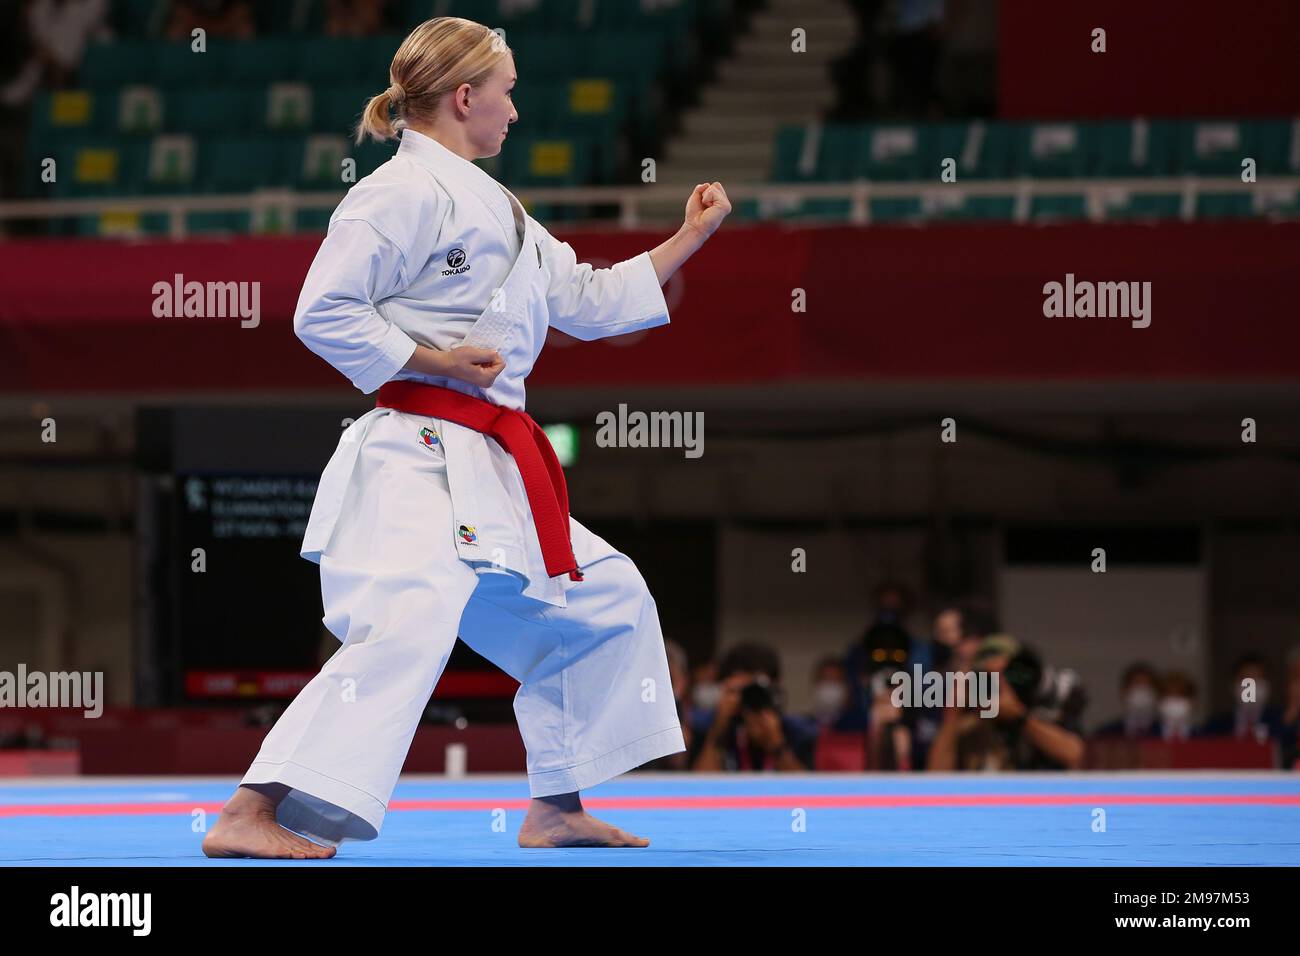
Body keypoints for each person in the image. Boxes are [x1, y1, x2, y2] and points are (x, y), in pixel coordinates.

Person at [203, 17, 731, 858]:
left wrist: (687, 239)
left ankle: (555, 805)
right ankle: (249, 809)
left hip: (491, 465)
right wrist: (433, 355)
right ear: (464, 96)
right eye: (508, 91)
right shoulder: (395, 192)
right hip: (413, 454)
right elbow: (321, 311)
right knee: (409, 620)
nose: (515, 110)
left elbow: (587, 301)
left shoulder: (501, 208)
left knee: (603, 601)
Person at [1093, 661, 1163, 739]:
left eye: (1146, 687)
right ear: (1123, 692)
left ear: (1156, 693)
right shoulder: (1105, 734)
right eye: (1136, 685)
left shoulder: (1164, 733)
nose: (1141, 692)